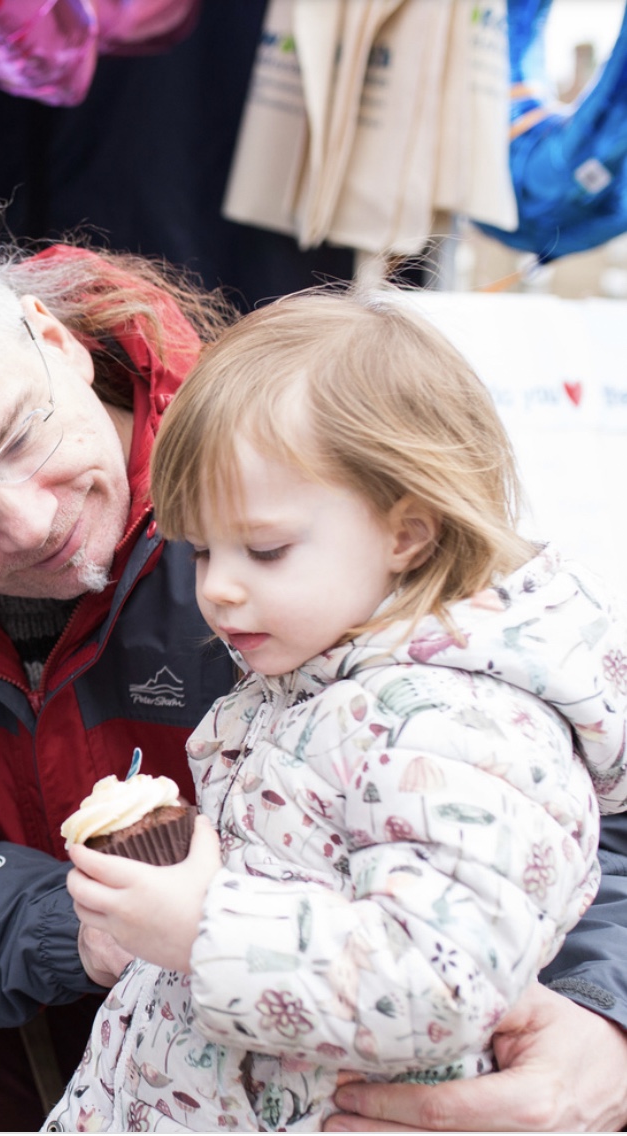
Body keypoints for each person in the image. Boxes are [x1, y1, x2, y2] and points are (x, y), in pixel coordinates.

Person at [0, 190, 627, 1132]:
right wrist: (69, 926)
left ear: (56, 340)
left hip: (334, 1007)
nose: (30, 523)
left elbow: (554, 784)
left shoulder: (281, 461)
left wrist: (609, 1021)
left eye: (20, 437)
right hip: (62, 1003)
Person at [43, 290, 627, 1132]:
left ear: (408, 533)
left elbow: (444, 979)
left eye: (266, 548)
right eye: (204, 549)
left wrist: (205, 927)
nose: (218, 587)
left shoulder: (454, 728)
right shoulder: (315, 680)